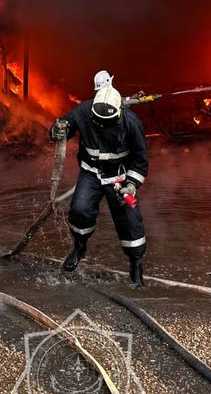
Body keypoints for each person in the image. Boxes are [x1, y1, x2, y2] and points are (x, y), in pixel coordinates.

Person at [50, 82, 148, 285]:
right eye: (99, 120)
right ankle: (79, 247)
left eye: (108, 121)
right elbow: (64, 124)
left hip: (119, 177)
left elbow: (140, 159)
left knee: (130, 222)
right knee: (79, 210)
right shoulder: (84, 110)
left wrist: (131, 184)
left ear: (119, 113)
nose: (103, 124)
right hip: (91, 173)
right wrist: (57, 130)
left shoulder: (132, 122)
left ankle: (136, 263)